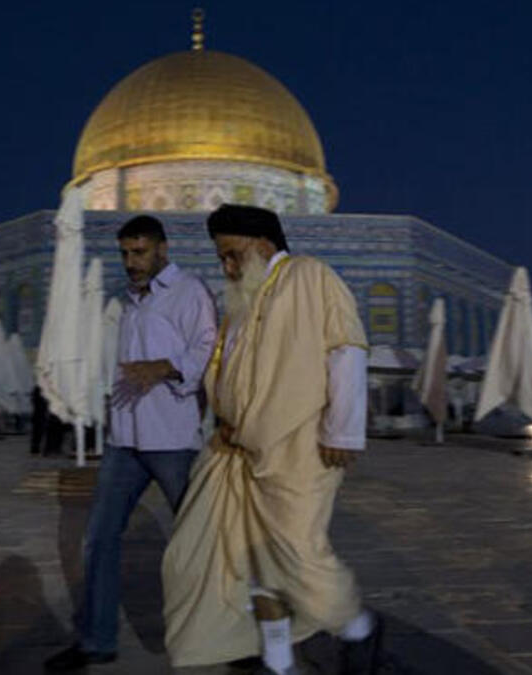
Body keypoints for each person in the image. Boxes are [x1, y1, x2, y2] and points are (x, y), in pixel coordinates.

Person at [162, 204, 382, 675]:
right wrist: (222, 418)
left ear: (262, 245)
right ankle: (278, 660)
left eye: (232, 254)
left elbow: (344, 348)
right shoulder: (244, 299)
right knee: (251, 561)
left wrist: (342, 430)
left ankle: (357, 626)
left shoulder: (308, 276)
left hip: (299, 446)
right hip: (238, 453)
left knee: (298, 552)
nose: (227, 267)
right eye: (221, 258)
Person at [44, 215, 217, 671]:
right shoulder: (130, 300)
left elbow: (208, 348)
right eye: (124, 253)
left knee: (203, 539)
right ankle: (96, 640)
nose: (130, 262)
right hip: (125, 439)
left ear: (162, 249)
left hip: (172, 438)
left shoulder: (190, 291)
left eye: (138, 252)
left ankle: (235, 636)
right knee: (99, 539)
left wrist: (165, 366)